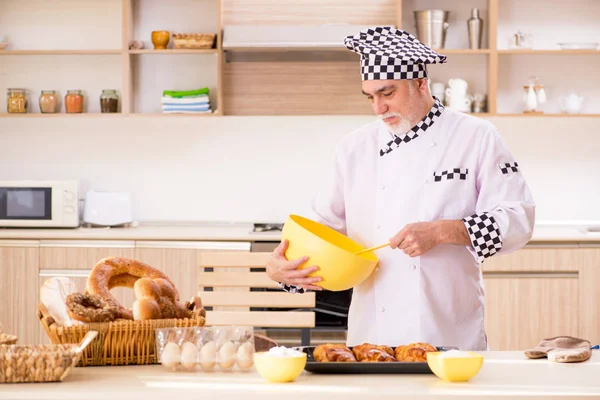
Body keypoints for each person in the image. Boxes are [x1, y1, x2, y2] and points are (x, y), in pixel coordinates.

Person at [265, 27, 535, 351]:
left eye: (387, 93)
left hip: (448, 332)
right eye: (370, 96)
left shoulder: (476, 137)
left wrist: (444, 231)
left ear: (421, 83)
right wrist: (283, 270)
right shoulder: (354, 149)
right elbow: (323, 229)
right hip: (372, 335)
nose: (378, 107)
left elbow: (518, 219)